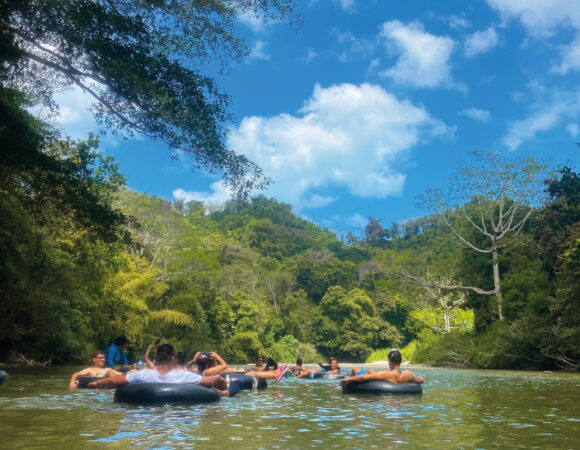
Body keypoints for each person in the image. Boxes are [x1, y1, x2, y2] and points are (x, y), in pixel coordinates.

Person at [88, 344, 237, 396]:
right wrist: (219, 379)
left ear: (156, 359)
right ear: (173, 359)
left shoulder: (143, 374)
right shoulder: (183, 376)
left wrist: (94, 384)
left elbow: (114, 380)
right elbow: (209, 380)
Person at [339, 349, 424, 387]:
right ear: (401, 361)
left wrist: (347, 379)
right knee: (371, 370)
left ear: (389, 362)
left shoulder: (387, 374)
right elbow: (421, 380)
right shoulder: (408, 374)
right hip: (397, 380)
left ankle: (346, 388)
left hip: (379, 381)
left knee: (355, 369)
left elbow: (364, 377)